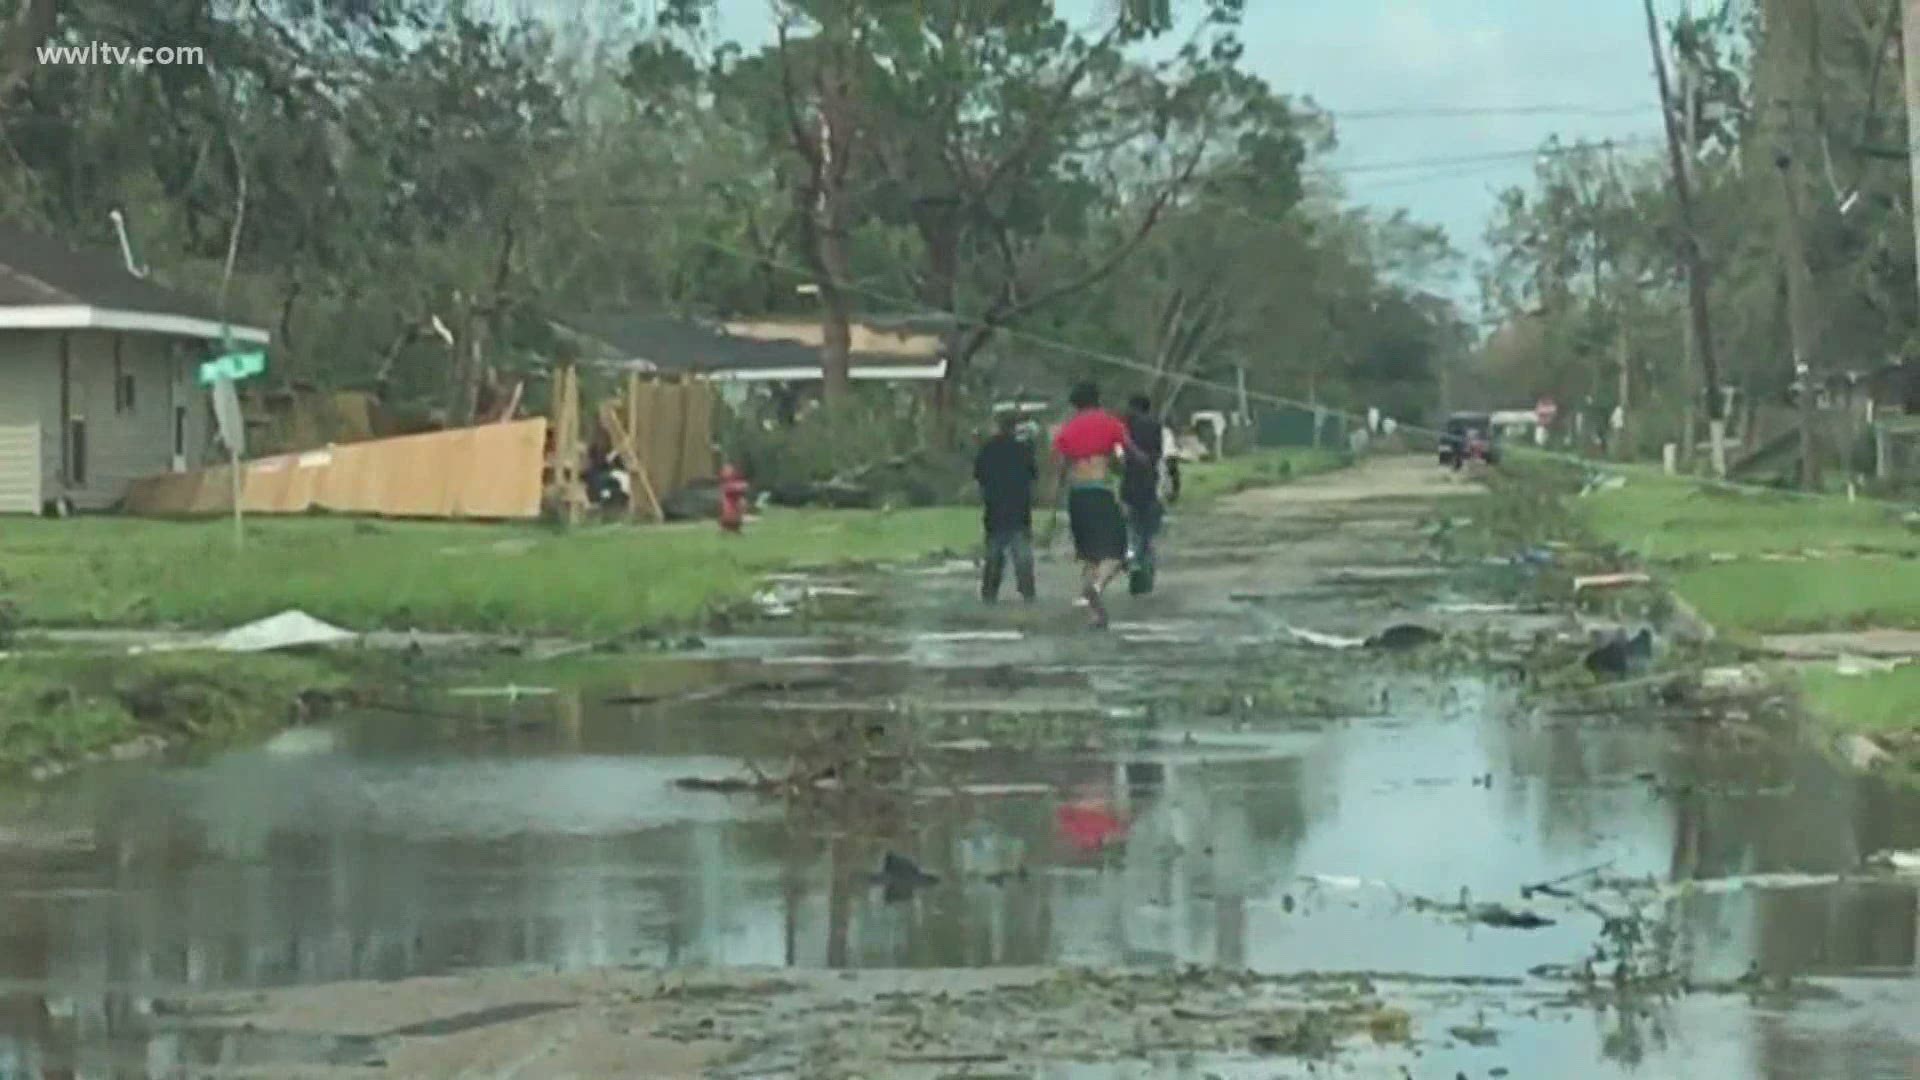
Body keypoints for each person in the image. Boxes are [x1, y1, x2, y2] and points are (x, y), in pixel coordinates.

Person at [1051, 382, 1144, 629]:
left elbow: (1060, 466)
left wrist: (1053, 499)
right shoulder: (1110, 423)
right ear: (1098, 399)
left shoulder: (1067, 429)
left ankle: (1094, 615)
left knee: (1090, 556)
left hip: (1077, 494)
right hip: (1099, 491)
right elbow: (1130, 453)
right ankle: (1096, 587)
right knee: (1117, 551)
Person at [973, 410, 1037, 603]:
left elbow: (980, 476)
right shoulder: (1023, 450)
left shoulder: (987, 449)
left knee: (994, 554)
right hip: (1019, 507)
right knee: (1022, 555)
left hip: (995, 507)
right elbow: (1033, 476)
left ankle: (990, 592)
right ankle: (1027, 591)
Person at [1121, 395, 1175, 596]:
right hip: (1154, 489)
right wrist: (1174, 488)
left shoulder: (1123, 431)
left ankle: (1134, 562)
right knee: (1148, 534)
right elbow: (1170, 461)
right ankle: (1142, 570)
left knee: (1132, 530)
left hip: (1129, 489)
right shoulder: (1162, 430)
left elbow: (1117, 459)